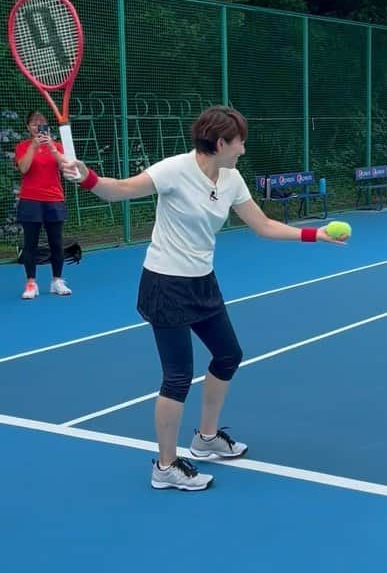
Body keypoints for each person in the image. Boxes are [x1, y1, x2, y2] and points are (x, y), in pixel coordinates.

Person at [63, 105, 346, 492]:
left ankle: (206, 438)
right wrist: (87, 177)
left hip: (202, 283)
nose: (243, 150)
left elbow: (262, 225)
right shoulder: (174, 170)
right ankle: (165, 466)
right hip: (165, 283)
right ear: (219, 143)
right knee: (177, 377)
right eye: (239, 142)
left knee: (229, 354)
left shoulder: (231, 178)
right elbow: (121, 190)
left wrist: (316, 235)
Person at [14, 111, 72, 300]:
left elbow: (66, 167)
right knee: (30, 244)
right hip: (30, 200)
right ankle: (31, 283)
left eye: (42, 123)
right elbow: (24, 168)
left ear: (47, 127)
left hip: (54, 199)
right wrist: (34, 146)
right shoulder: (22, 147)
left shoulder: (57, 146)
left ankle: (57, 281)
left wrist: (53, 149)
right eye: (34, 123)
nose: (38, 126)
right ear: (28, 127)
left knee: (56, 243)